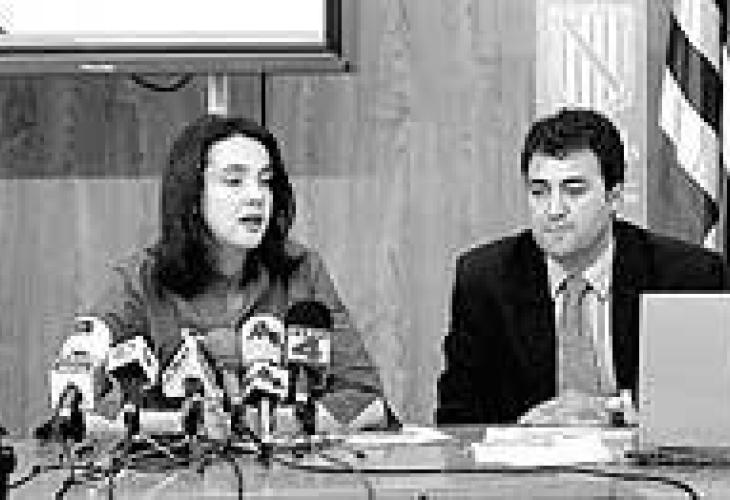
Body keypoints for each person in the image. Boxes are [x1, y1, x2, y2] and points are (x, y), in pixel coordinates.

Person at [87, 114, 391, 431]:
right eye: (234, 181)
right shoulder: (141, 280)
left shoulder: (300, 270)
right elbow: (83, 408)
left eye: (265, 181)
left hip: (284, 460)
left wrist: (267, 423)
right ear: (192, 196)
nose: (256, 196)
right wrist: (186, 424)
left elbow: (368, 401)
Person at [436, 108, 729, 425]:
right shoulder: (485, 279)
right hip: (527, 455)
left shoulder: (686, 276)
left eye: (574, 191)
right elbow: (458, 418)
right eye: (539, 192)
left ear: (613, 197)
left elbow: (707, 408)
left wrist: (612, 412)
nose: (554, 210)